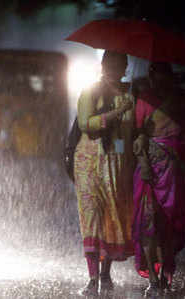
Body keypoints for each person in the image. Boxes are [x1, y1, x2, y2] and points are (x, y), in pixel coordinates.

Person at [132, 62, 185, 296]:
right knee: (147, 223)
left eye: (161, 74)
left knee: (169, 225)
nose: (157, 79)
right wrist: (143, 164)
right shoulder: (143, 99)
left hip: (174, 170)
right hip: (148, 169)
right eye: (153, 74)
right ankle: (152, 277)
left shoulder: (181, 101)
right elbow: (138, 133)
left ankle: (163, 276)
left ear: (170, 76)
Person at [73, 50, 135, 296]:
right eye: (109, 63)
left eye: (119, 64)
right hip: (89, 162)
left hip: (117, 164)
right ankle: (92, 277)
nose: (113, 68)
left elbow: (133, 131)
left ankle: (106, 273)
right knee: (91, 218)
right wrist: (117, 113)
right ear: (102, 65)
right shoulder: (91, 91)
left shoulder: (130, 94)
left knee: (111, 216)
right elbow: (85, 123)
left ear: (125, 67)